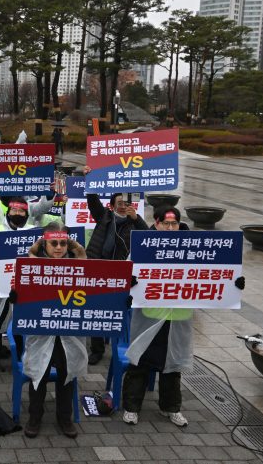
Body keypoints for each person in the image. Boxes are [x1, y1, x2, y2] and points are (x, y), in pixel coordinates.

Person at [121, 206, 192, 427]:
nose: (170, 228)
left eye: (174, 224)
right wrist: (129, 280)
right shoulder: (144, 246)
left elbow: (211, 276)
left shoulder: (192, 248)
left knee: (173, 364)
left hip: (178, 317)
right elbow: (126, 270)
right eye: (166, 223)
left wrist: (233, 286)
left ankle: (170, 407)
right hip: (149, 316)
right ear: (157, 223)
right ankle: (131, 408)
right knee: (140, 361)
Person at [21, 221, 87, 438]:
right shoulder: (31, 267)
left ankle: (64, 418)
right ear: (44, 245)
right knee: (38, 376)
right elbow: (20, 295)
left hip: (69, 333)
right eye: (53, 243)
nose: (58, 247)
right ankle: (34, 417)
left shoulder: (81, 267)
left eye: (62, 243)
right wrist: (16, 297)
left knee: (66, 377)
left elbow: (96, 286)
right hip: (41, 334)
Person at [83, 170, 149, 365]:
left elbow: (149, 238)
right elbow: (93, 202)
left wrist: (136, 218)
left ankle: (120, 345)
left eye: (126, 203)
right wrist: (90, 179)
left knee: (119, 311)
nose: (123, 207)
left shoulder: (135, 223)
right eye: (119, 203)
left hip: (121, 273)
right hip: (98, 269)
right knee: (95, 310)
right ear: (112, 206)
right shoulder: (104, 217)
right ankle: (97, 349)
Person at [0, 196, 38, 375]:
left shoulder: (34, 232)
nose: (18, 214)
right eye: (14, 210)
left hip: (26, 287)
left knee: (22, 321)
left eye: (22, 211)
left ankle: (22, 358)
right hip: (2, 285)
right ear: (8, 212)